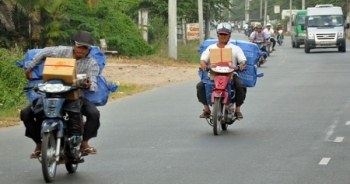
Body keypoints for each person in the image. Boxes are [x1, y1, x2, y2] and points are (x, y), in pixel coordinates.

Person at [21, 30, 100, 158]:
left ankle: (84, 143)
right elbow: (45, 52)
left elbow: (94, 83)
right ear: (74, 44)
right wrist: (30, 68)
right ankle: (39, 144)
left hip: (75, 97)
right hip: (51, 95)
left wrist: (89, 85)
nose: (82, 50)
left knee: (94, 113)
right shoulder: (62, 51)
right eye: (80, 46)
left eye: (86, 48)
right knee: (26, 114)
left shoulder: (91, 62)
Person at [196, 22, 247, 119]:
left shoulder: (235, 48)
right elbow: (204, 58)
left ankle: (237, 110)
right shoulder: (211, 48)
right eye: (221, 34)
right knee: (200, 86)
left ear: (229, 35)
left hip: (231, 74)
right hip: (213, 74)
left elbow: (242, 59)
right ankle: (206, 110)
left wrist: (242, 64)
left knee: (240, 86)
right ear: (217, 35)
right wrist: (203, 63)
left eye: (225, 34)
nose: (223, 36)